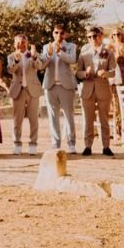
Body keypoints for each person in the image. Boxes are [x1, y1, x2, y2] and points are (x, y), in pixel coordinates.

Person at [76, 26, 115, 156]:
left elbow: (113, 72)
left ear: (100, 36)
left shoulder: (108, 53)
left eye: (94, 36)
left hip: (103, 89)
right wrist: (84, 74)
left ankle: (106, 146)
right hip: (88, 89)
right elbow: (78, 73)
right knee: (88, 120)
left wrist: (105, 73)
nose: (92, 39)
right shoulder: (84, 54)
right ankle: (88, 146)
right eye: (89, 37)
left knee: (104, 119)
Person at [41, 25, 79, 153]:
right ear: (53, 33)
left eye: (61, 33)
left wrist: (59, 52)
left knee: (69, 115)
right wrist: (49, 53)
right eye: (56, 32)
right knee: (53, 116)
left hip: (66, 85)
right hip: (50, 85)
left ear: (65, 34)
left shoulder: (71, 46)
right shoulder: (47, 47)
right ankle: (55, 143)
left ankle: (71, 143)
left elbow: (72, 60)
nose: (58, 35)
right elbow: (41, 65)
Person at [7, 34, 41, 155]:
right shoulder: (11, 56)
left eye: (23, 42)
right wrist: (16, 60)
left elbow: (40, 66)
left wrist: (34, 57)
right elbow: (10, 70)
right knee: (17, 119)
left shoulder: (33, 54)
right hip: (18, 90)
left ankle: (33, 144)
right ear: (14, 44)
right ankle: (17, 144)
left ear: (27, 43)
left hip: (33, 90)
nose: (21, 44)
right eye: (19, 42)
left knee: (34, 119)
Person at [108, 28, 124, 141]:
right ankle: (117, 130)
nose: (116, 36)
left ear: (122, 35)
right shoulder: (109, 47)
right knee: (116, 104)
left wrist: (119, 51)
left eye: (118, 34)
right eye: (114, 34)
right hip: (115, 78)